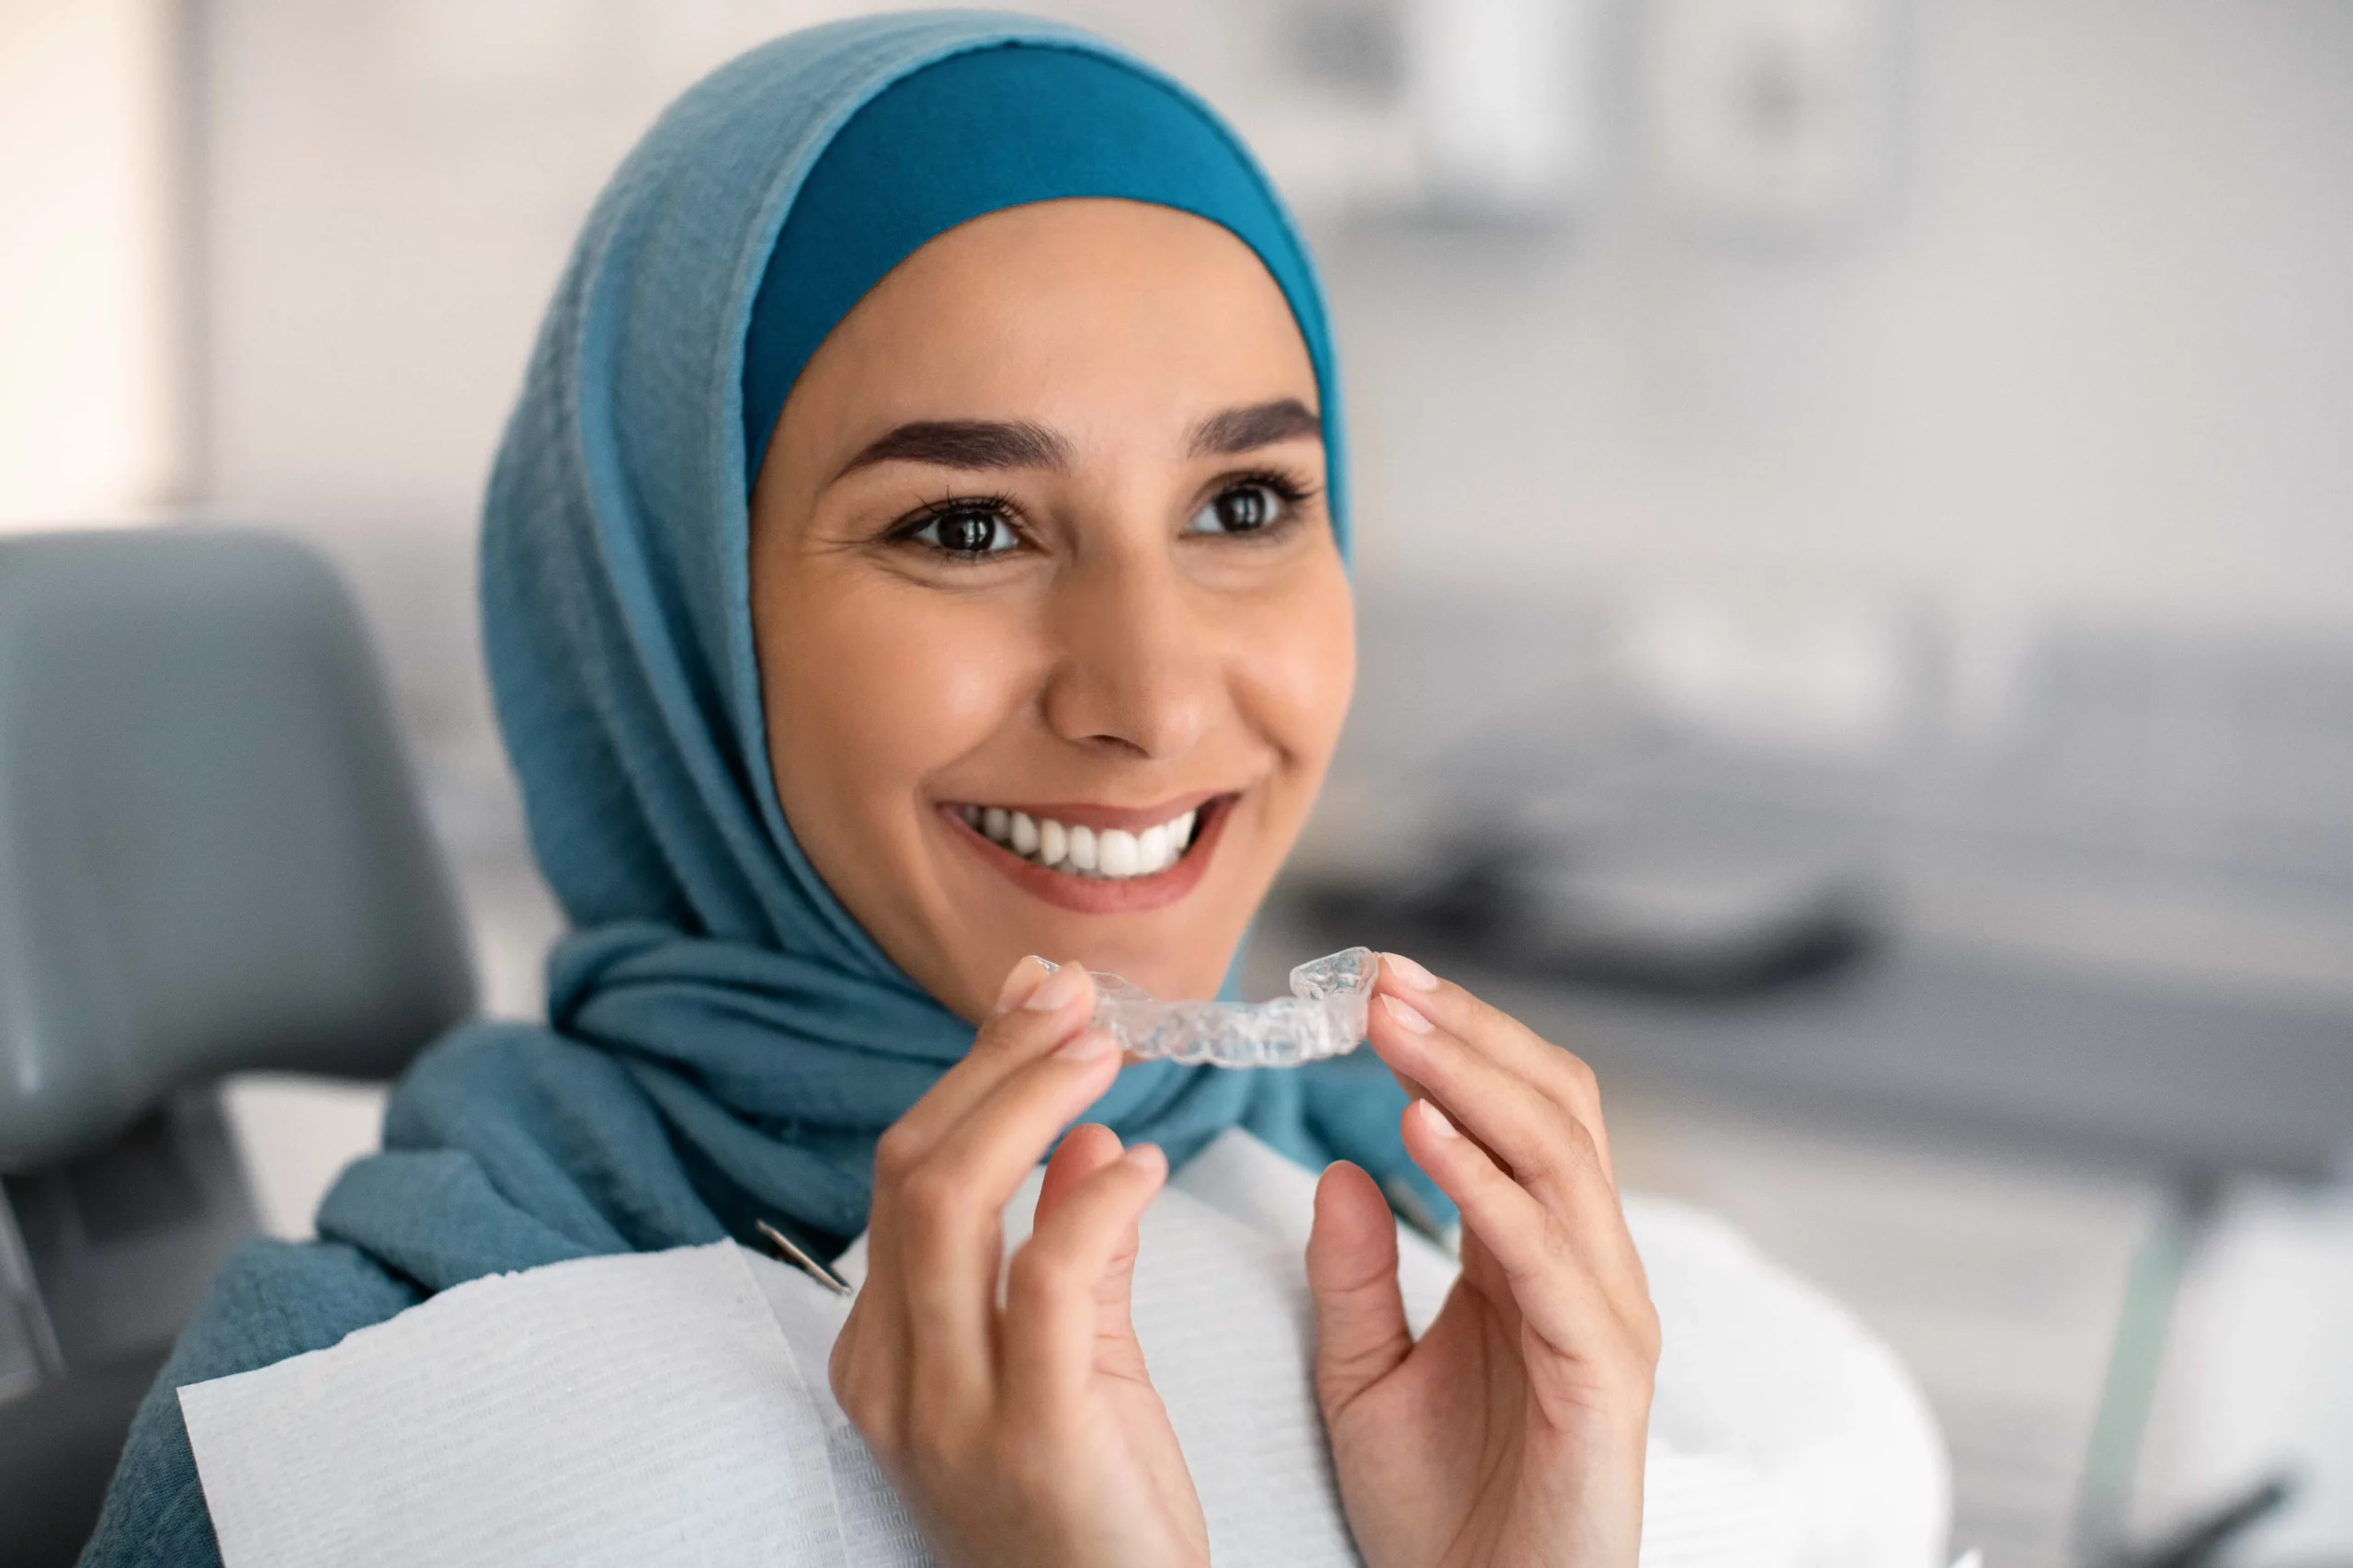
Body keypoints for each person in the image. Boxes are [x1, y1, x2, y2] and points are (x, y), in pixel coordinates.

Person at [81, 14, 1658, 1566]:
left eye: (1243, 501)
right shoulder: (344, 1445)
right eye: (968, 527)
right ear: (674, 616)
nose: (1155, 697)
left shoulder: (1470, 1259)